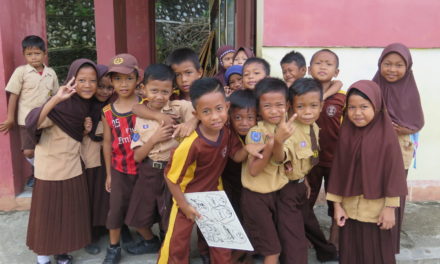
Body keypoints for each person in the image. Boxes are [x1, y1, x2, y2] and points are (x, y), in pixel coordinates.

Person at [157, 78, 258, 264]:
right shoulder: (191, 144)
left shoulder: (226, 132)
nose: (214, 117)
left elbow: (235, 156)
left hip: (213, 194)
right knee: (176, 244)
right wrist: (185, 206)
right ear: (196, 114)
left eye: (219, 109)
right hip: (186, 196)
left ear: (227, 107)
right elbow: (171, 179)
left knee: (222, 241)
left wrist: (248, 149)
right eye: (206, 112)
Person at [326, 80, 407, 264]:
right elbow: (338, 171)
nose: (357, 113)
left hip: (376, 212)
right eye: (352, 107)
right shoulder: (346, 133)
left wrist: (389, 209)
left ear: (377, 106)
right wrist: (337, 206)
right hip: (349, 210)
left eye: (364, 107)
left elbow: (394, 174)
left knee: (377, 255)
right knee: (351, 253)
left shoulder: (387, 137)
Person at [26, 59, 97, 264]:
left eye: (93, 80)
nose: (87, 85)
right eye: (81, 79)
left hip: (73, 167)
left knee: (67, 214)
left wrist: (84, 130)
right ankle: (43, 257)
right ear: (71, 80)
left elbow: (73, 135)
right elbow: (34, 122)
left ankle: (62, 252)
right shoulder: (62, 105)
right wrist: (56, 99)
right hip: (50, 171)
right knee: (47, 215)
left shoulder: (85, 106)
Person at [102, 54, 161, 264]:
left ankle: (151, 240)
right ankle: (113, 248)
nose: (123, 83)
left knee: (142, 210)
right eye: (117, 79)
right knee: (116, 208)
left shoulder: (147, 105)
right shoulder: (108, 111)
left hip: (145, 168)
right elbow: (107, 144)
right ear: (111, 81)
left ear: (138, 79)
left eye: (128, 78)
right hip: (120, 169)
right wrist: (109, 174)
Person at [129, 64, 194, 252]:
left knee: (170, 215)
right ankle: (151, 241)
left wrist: (190, 122)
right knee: (138, 216)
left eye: (165, 91)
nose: (159, 96)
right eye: (154, 90)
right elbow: (137, 156)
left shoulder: (178, 107)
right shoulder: (141, 116)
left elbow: (199, 111)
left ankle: (169, 247)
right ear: (143, 89)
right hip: (149, 170)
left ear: (172, 90)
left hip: (173, 171)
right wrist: (154, 139)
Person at [372, 43, 424, 253]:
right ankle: (371, 236)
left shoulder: (410, 91)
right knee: (373, 190)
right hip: (374, 148)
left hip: (400, 149)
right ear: (380, 64)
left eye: (399, 65)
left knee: (394, 192)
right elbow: (362, 112)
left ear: (407, 67)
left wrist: (404, 129)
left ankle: (390, 241)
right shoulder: (373, 86)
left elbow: (417, 120)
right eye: (387, 64)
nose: (392, 69)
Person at [287, 78, 339, 263]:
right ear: (291, 106)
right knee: (293, 229)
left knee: (309, 221)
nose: (307, 112)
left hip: (300, 183)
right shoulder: (289, 130)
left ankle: (326, 252)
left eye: (313, 106)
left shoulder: (314, 127)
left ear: (321, 105)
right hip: (286, 188)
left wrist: (305, 179)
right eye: (300, 106)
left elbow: (305, 160)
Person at [0, 35, 59, 186]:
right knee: (28, 151)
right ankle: (38, 170)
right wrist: (10, 118)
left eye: (37, 53)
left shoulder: (51, 73)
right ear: (24, 55)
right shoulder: (21, 72)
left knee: (47, 149)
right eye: (29, 54)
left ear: (45, 54)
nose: (34, 57)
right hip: (25, 120)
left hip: (46, 120)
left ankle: (40, 175)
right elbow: (14, 96)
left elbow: (56, 97)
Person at [306, 48, 346, 246]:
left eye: (328, 64)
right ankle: (302, 239)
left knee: (336, 200)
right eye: (318, 62)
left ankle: (335, 240)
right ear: (308, 69)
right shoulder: (303, 95)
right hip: (308, 159)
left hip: (335, 160)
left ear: (336, 72)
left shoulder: (342, 98)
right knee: (306, 199)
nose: (323, 66)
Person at [81, 64, 113, 255]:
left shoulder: (114, 105)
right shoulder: (83, 104)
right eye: (100, 86)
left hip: (109, 157)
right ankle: (89, 234)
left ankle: (106, 227)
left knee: (106, 194)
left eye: (109, 87)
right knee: (91, 195)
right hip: (90, 156)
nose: (104, 91)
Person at [222, 89, 257, 263]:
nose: (244, 123)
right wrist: (248, 149)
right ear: (229, 116)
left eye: (250, 118)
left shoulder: (259, 132)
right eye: (238, 118)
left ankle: (245, 254)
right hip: (231, 183)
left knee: (249, 218)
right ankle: (237, 253)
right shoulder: (228, 133)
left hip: (252, 184)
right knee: (235, 217)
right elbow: (236, 157)